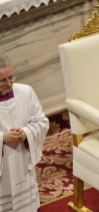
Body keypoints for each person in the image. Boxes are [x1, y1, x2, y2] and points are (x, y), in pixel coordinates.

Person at [0, 54, 49, 211]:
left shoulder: (26, 92)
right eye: (3, 81)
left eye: (11, 77)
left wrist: (26, 133)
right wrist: (3, 138)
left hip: (22, 162)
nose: (9, 84)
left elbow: (42, 122)